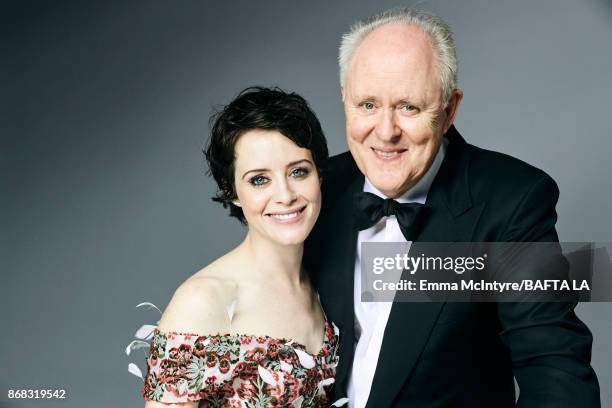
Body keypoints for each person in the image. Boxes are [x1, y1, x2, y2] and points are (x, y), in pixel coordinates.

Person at [304, 8, 600, 407]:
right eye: (367, 105)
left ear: (449, 109)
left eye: (409, 107)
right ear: (344, 98)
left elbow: (553, 366)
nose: (386, 131)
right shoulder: (315, 187)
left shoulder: (513, 200)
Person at [142, 87, 339, 407]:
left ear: (319, 173)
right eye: (259, 179)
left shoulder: (325, 283)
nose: (285, 195)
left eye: (298, 171)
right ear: (231, 189)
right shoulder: (203, 300)